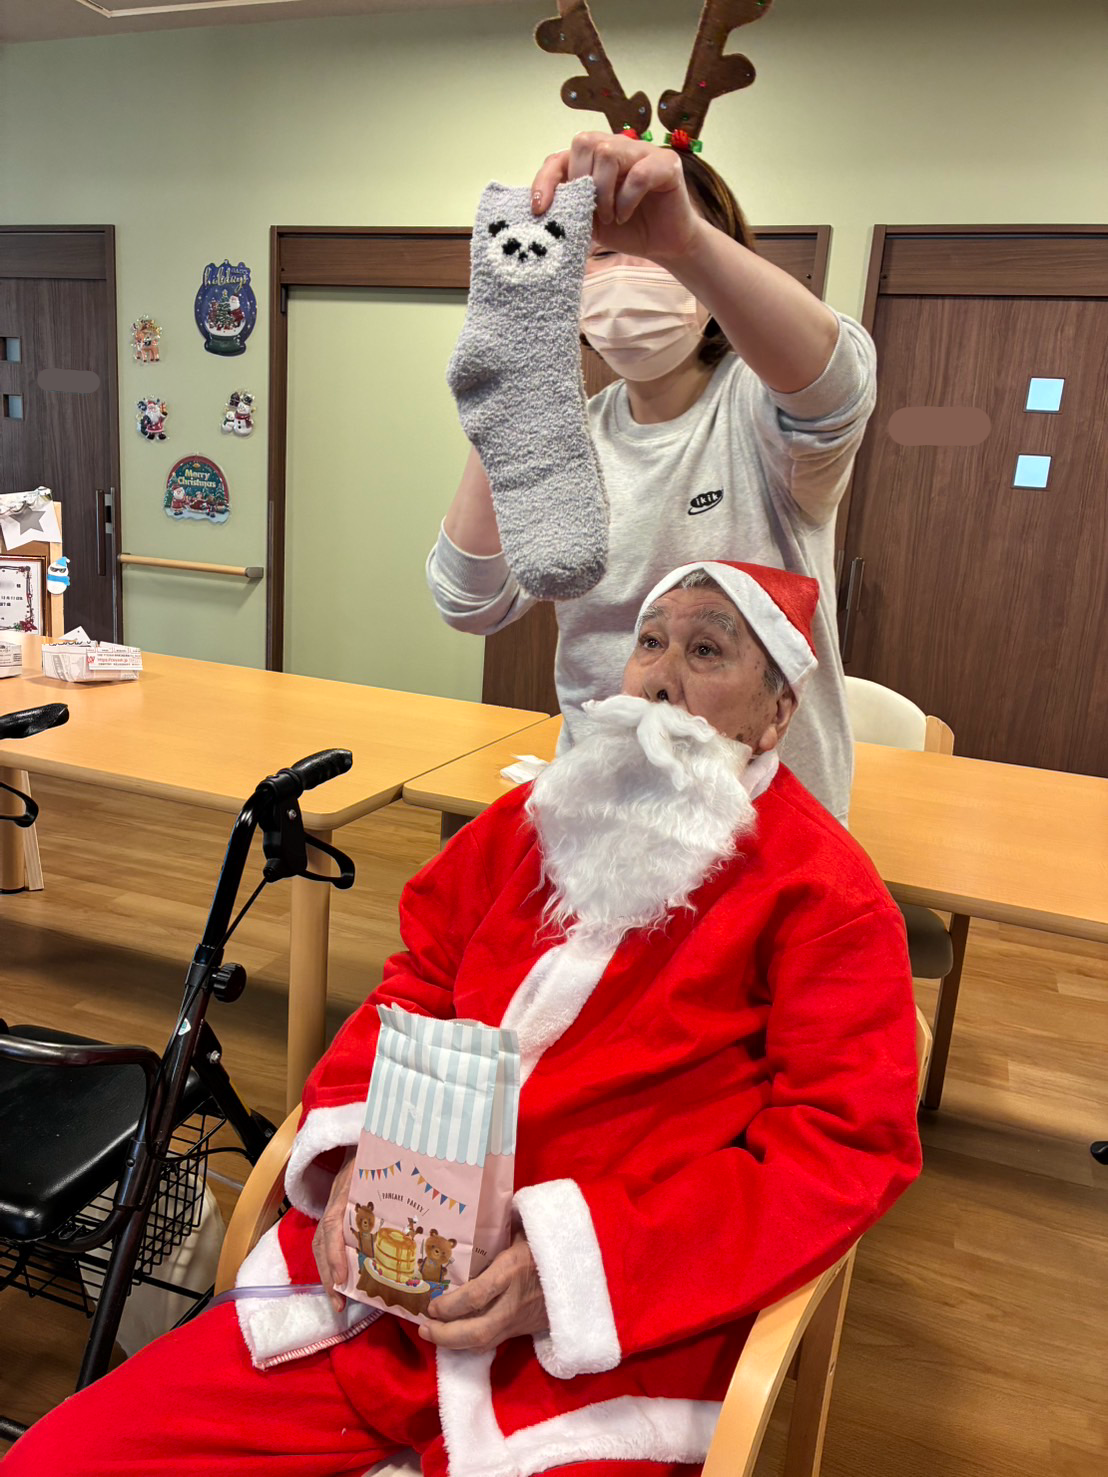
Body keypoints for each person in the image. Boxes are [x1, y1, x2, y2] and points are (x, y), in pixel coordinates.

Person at [6, 561, 920, 1477]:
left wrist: (566, 1271)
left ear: (777, 712)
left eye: (707, 649)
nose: (660, 677)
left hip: (593, 1351)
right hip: (374, 1285)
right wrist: (352, 1157)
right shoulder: (540, 815)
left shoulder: (827, 897)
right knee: (58, 1460)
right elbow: (418, 977)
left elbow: (840, 1148)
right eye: (650, 641)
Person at [428, 133, 877, 824]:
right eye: (602, 253)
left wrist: (686, 241)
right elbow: (470, 601)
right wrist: (511, 392)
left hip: (765, 822)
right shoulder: (566, 436)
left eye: (654, 252)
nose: (629, 270)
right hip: (606, 812)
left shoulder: (758, 414)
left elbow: (838, 386)